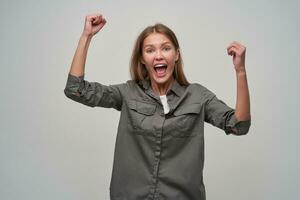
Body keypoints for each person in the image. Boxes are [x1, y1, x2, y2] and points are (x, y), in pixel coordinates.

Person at [64, 13, 251, 200]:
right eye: (150, 50)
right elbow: (75, 89)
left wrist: (240, 71)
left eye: (166, 48)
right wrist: (86, 36)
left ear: (176, 55)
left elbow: (239, 125)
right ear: (142, 59)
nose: (159, 55)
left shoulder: (197, 96)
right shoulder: (128, 93)